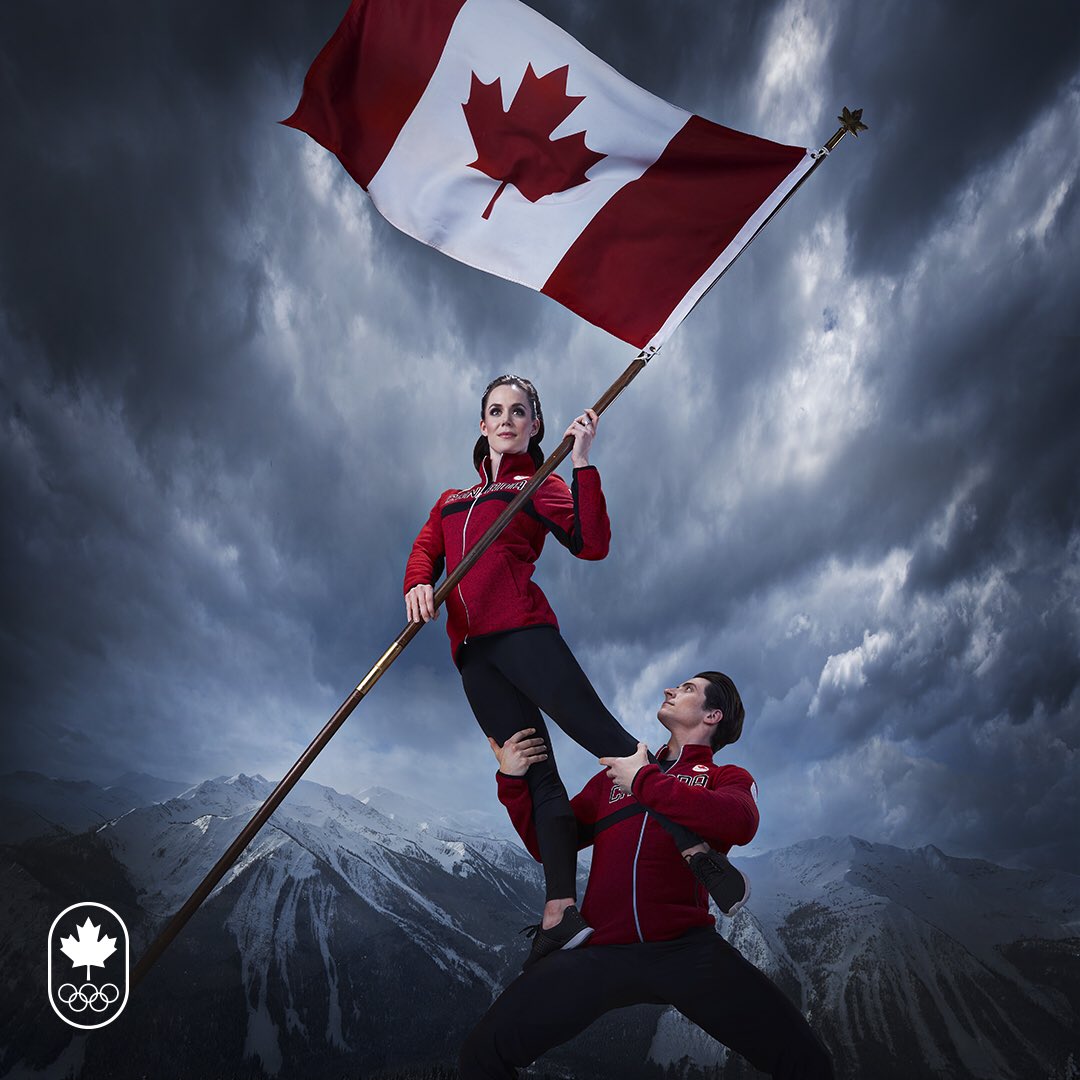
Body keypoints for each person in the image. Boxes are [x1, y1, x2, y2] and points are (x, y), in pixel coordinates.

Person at [404, 375, 746, 967]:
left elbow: (592, 542)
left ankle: (689, 843)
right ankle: (560, 912)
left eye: (519, 411)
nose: (506, 419)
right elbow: (425, 549)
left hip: (523, 633)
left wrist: (582, 463)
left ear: (535, 426)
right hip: (472, 656)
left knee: (603, 739)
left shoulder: (538, 485)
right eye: (495, 411)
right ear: (482, 425)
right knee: (534, 771)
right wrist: (417, 582)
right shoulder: (449, 499)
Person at [459, 671, 835, 1080]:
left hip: (686, 951)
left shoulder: (724, 779)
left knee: (808, 1062)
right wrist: (512, 780)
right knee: (482, 1054)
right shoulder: (614, 779)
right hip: (601, 950)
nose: (670, 690)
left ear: (713, 716)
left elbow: (739, 822)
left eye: (688, 688)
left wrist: (645, 780)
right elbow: (544, 844)